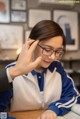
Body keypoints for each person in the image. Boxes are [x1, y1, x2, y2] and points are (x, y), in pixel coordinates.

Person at [0, 20, 80, 119]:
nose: (53, 57)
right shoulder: (10, 73)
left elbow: (73, 96)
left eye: (58, 51)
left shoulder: (57, 68)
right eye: (47, 49)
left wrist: (54, 109)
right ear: (31, 43)